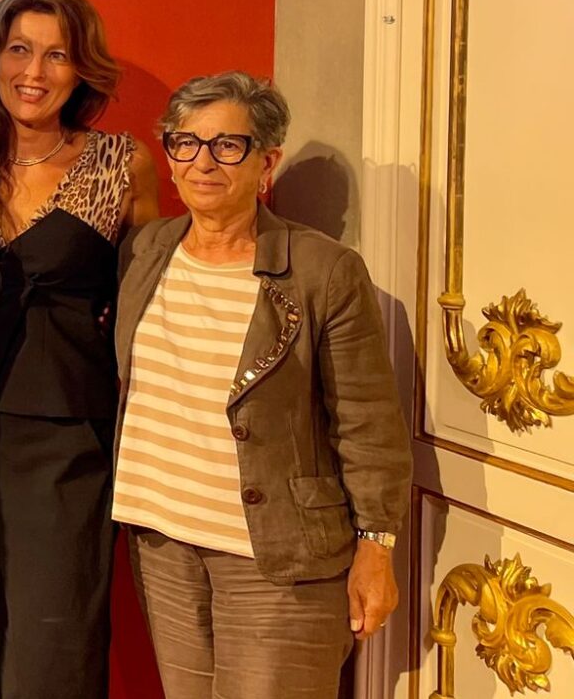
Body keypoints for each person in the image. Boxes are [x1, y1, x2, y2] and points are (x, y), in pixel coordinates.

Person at [113, 72, 411, 699]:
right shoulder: (144, 251)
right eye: (186, 142)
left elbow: (367, 421)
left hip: (278, 560)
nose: (203, 162)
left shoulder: (323, 271)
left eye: (228, 145)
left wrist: (376, 546)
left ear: (266, 163)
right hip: (162, 546)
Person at [0, 0, 159, 698]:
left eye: (56, 55)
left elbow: (150, 298)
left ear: (81, 69)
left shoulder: (121, 164)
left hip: (72, 437)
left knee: (53, 642)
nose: (33, 72)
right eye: (19, 49)